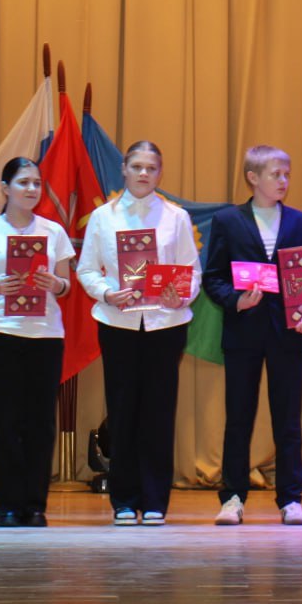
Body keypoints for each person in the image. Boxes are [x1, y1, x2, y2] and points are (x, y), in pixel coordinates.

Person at [77, 141, 200, 526]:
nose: (144, 173)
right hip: (118, 324)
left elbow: (192, 271)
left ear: (160, 173)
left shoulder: (176, 217)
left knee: (159, 412)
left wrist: (181, 295)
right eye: (137, 166)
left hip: (165, 325)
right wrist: (106, 293)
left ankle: (155, 500)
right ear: (124, 170)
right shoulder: (103, 217)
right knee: (123, 411)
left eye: (151, 167)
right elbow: (86, 270)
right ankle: (124, 501)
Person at [204, 145, 302, 526]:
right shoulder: (227, 220)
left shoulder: (301, 222)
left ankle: (291, 499)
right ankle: (232, 498)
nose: (283, 181)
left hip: (287, 334)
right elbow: (213, 278)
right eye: (275, 174)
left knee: (288, 420)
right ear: (253, 178)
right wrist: (236, 301)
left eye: (287, 174)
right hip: (243, 333)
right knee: (238, 418)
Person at [0, 158, 74, 528]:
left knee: (40, 423)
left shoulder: (53, 231)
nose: (31, 189)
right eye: (23, 182)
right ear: (5, 188)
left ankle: (35, 504)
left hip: (45, 336)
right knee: (3, 422)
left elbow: (66, 285)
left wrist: (55, 284)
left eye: (36, 183)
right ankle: (7, 506)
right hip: (2, 333)